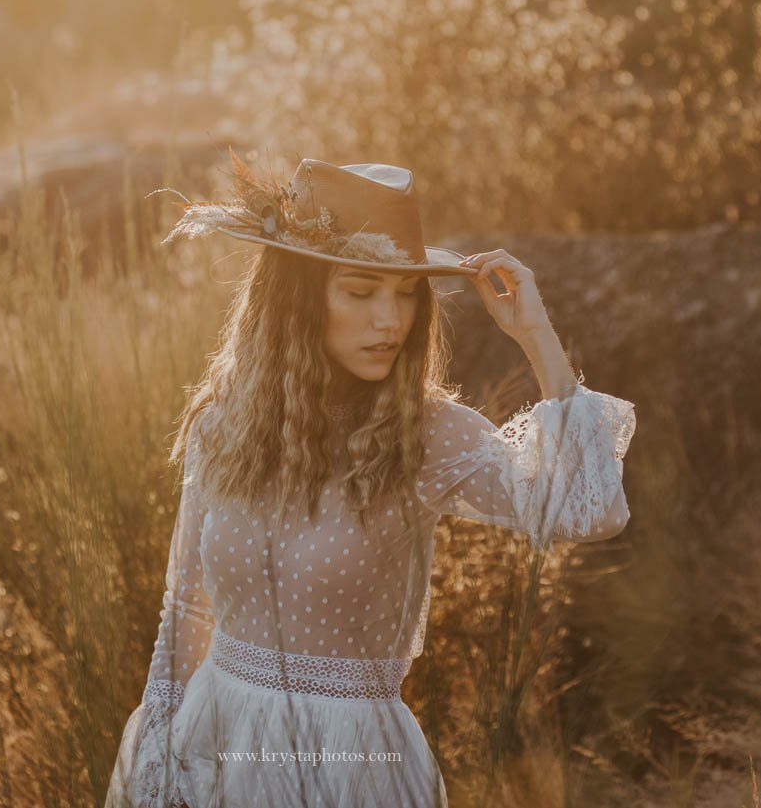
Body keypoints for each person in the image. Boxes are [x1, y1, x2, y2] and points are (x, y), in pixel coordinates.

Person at [106, 155, 637, 808]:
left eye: (405, 292)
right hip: (216, 746)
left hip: (352, 769)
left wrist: (536, 336)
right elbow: (186, 608)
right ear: (297, 299)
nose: (390, 319)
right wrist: (160, 767)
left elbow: (591, 511)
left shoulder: (426, 436)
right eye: (360, 291)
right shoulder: (226, 425)